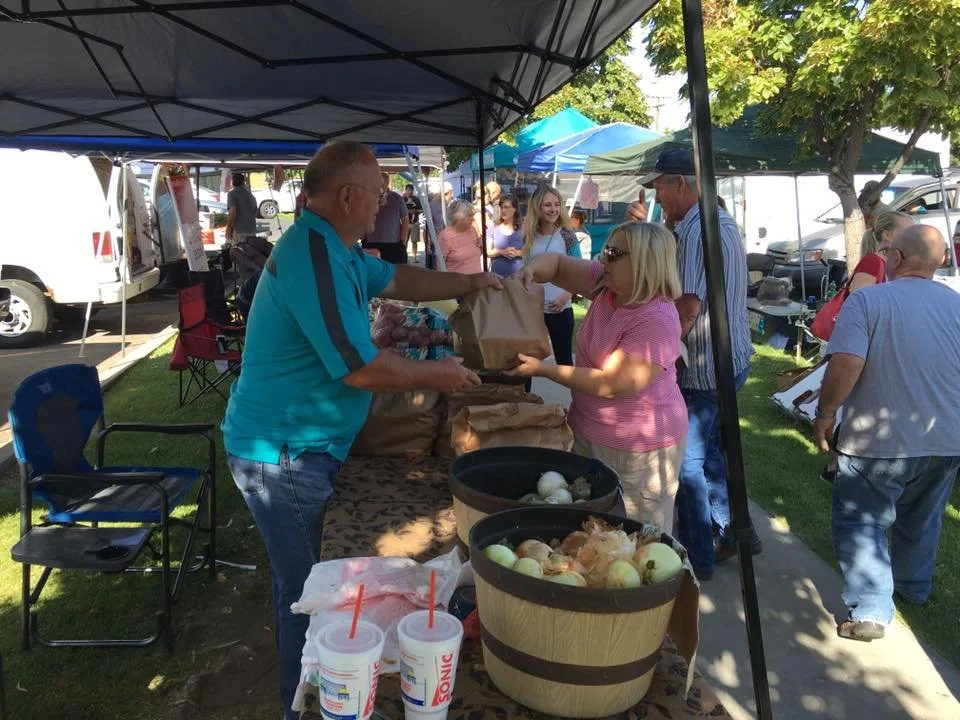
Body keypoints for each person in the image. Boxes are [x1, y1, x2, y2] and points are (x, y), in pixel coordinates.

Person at [221, 141, 501, 720]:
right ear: (348, 195)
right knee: (310, 592)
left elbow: (396, 277)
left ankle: (316, 695)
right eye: (377, 193)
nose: (384, 204)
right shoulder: (313, 255)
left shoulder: (339, 248)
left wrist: (467, 285)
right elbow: (361, 369)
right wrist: (440, 376)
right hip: (283, 452)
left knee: (311, 580)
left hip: (303, 446)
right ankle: (305, 705)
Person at [813, 224, 960, 643]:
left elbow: (845, 364)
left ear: (894, 258)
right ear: (940, 261)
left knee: (862, 522)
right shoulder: (956, 305)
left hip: (878, 440)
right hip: (946, 436)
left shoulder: (867, 301)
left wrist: (825, 412)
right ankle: (914, 588)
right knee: (922, 517)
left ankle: (872, 609)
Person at [629, 149, 757, 580]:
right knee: (714, 452)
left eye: (660, 187)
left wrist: (655, 351)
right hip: (730, 358)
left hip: (708, 364)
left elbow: (687, 305)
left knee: (687, 461)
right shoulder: (712, 222)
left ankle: (699, 557)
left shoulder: (700, 230)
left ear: (680, 183)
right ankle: (735, 532)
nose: (658, 196)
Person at [511, 222, 688, 530]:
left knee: (634, 538)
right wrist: (529, 271)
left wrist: (543, 369)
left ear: (645, 262)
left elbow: (610, 383)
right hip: (589, 432)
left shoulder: (656, 319)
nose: (603, 258)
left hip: (639, 452)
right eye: (606, 249)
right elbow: (557, 264)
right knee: (590, 528)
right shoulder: (607, 283)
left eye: (613, 253)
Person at [522, 185, 582, 366]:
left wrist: (565, 296)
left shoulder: (567, 235)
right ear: (537, 208)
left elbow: (579, 272)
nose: (553, 209)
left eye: (557, 204)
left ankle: (572, 395)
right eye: (547, 205)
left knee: (564, 360)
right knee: (527, 360)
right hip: (534, 309)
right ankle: (525, 395)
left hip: (560, 308)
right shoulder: (528, 236)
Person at [848, 211, 912, 293]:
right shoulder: (872, 263)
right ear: (887, 235)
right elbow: (857, 302)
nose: (914, 237)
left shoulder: (894, 263)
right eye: (908, 232)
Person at [363, 172, 409, 264]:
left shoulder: (397, 198)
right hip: (371, 242)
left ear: (387, 183)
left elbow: (405, 220)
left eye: (382, 184)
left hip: (392, 244)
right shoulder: (368, 197)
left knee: (393, 272)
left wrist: (403, 242)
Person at [437, 199, 483, 275]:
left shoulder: (472, 230)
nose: (473, 218)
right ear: (458, 218)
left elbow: (476, 252)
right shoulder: (445, 236)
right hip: (458, 284)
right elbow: (440, 267)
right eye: (469, 215)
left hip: (476, 282)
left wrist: (481, 245)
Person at [488, 194, 524, 278]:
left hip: (518, 277)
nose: (503, 210)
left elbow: (531, 251)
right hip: (497, 276)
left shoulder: (523, 227)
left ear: (515, 209)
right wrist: (501, 252)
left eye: (507, 207)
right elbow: (487, 251)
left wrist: (517, 253)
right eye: (501, 207)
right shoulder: (493, 226)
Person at [225, 172, 258, 246]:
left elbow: (232, 213)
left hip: (239, 231)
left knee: (239, 254)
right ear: (244, 182)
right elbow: (255, 213)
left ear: (233, 182)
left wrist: (229, 230)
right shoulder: (251, 196)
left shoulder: (232, 194)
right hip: (252, 231)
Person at [427, 182, 455, 269]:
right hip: (438, 240)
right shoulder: (432, 204)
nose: (452, 195)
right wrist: (429, 241)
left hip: (452, 239)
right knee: (439, 265)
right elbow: (429, 224)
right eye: (450, 193)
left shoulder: (453, 203)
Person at [403, 183, 422, 261]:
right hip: (405, 223)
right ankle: (404, 257)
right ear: (406, 190)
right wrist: (407, 211)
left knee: (414, 241)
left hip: (414, 223)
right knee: (404, 240)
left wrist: (415, 210)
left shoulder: (416, 199)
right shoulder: (402, 199)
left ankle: (414, 257)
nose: (410, 191)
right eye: (408, 190)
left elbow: (421, 209)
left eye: (411, 190)